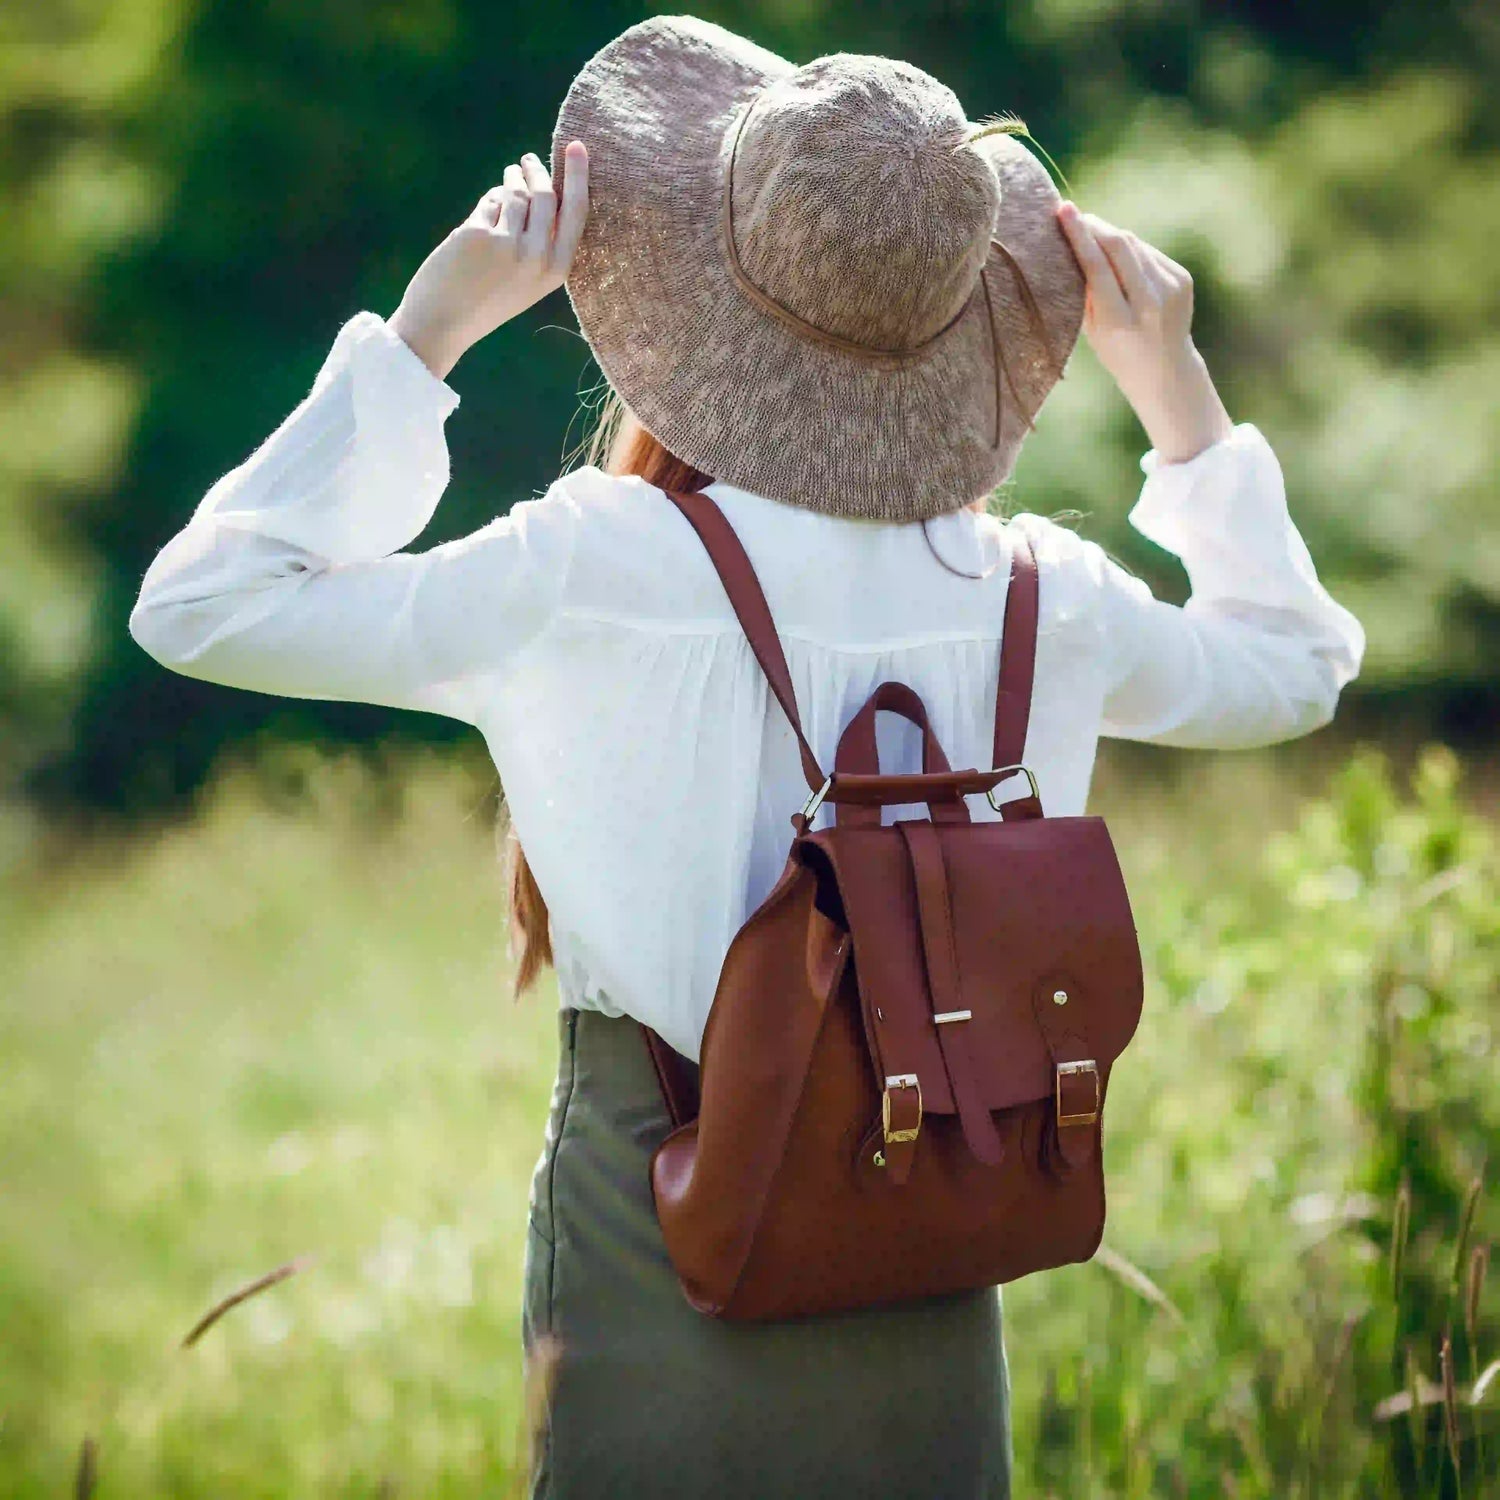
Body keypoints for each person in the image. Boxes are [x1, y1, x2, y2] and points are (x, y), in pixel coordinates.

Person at [129, 15, 1364, 1498]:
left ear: (701, 292)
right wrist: (1177, 390)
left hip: (657, 1192)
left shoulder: (597, 564)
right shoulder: (1041, 592)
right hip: (939, 1188)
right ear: (963, 311)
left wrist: (424, 337)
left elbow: (199, 606)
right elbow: (1296, 666)